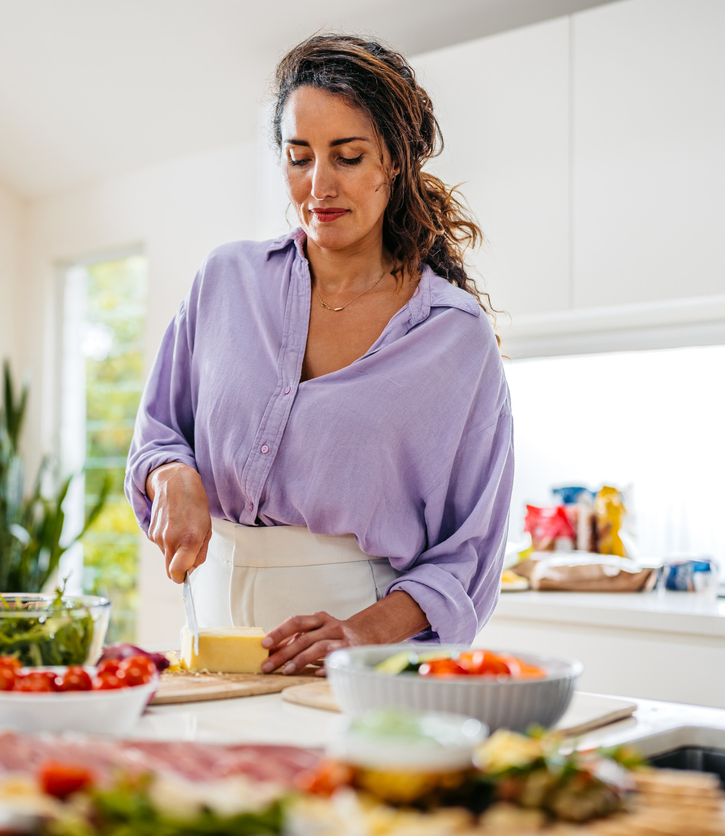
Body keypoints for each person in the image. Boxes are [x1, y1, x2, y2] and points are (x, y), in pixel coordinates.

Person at [125, 33, 514, 674]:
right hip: (211, 644)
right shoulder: (225, 281)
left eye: (348, 156)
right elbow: (158, 432)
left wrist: (363, 635)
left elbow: (468, 550)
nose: (318, 185)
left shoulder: (452, 336)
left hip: (359, 656)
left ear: (395, 160)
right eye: (298, 156)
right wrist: (170, 475)